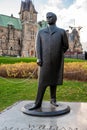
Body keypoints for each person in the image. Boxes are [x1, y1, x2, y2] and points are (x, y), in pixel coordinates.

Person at [29, 12, 69, 110]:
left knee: (54, 80)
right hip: (44, 61)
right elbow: (38, 46)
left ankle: (53, 99)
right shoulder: (41, 32)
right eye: (47, 17)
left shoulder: (61, 32)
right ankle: (38, 103)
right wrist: (39, 58)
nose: (48, 18)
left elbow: (65, 46)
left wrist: (58, 53)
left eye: (50, 17)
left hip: (56, 60)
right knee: (42, 82)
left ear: (55, 18)